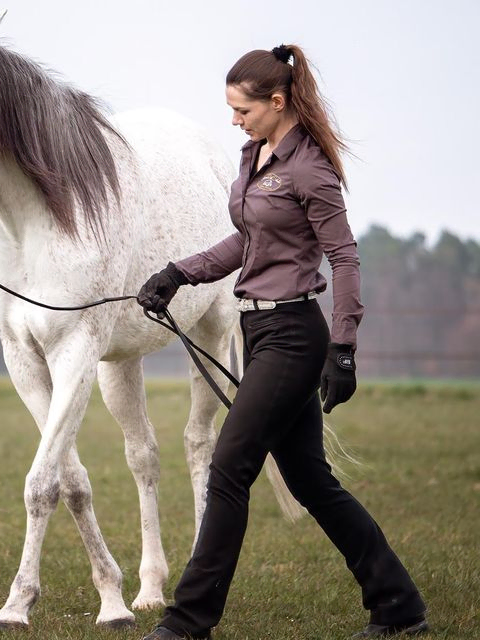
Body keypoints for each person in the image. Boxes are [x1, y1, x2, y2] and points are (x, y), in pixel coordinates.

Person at [136, 46, 428, 639]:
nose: (234, 120)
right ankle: (398, 605)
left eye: (242, 109)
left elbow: (345, 258)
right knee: (311, 480)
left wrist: (342, 347)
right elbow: (245, 242)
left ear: (277, 102)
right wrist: (177, 273)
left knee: (228, 466)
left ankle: (188, 622)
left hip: (295, 336)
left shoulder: (309, 170)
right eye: (230, 109)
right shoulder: (254, 156)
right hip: (258, 328)